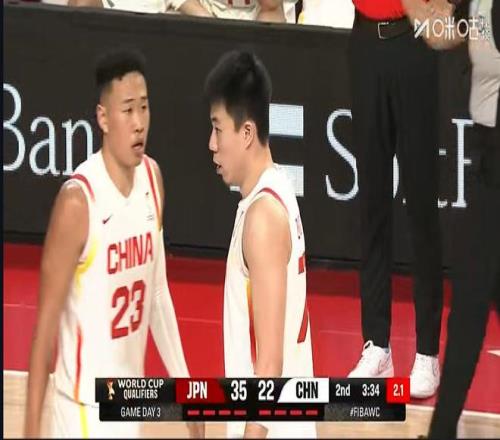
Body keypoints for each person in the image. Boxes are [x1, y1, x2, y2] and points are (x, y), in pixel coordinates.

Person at [24, 49, 202, 438]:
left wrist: (185, 385)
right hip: (81, 412)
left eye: (144, 108)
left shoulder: (153, 180)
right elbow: (44, 332)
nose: (139, 123)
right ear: (103, 118)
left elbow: (157, 293)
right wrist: (30, 431)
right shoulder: (78, 202)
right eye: (128, 110)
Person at [204, 50, 316, 438]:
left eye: (218, 129)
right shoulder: (277, 188)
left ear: (247, 132)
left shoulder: (262, 219)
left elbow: (269, 367)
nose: (211, 144)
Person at [346, 0, 453, 399]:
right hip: (365, 42)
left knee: (421, 202)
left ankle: (427, 351)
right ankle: (377, 345)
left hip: (413, 41)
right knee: (372, 203)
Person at [428, 1, 500, 437]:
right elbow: (443, 32)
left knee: (470, 304)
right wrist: (410, 7)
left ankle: (442, 429)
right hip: (487, 163)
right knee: (472, 302)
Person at [68, 0, 289, 22]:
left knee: (273, 17)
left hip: (254, 14)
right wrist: (212, 24)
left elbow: (271, 4)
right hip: (202, 9)